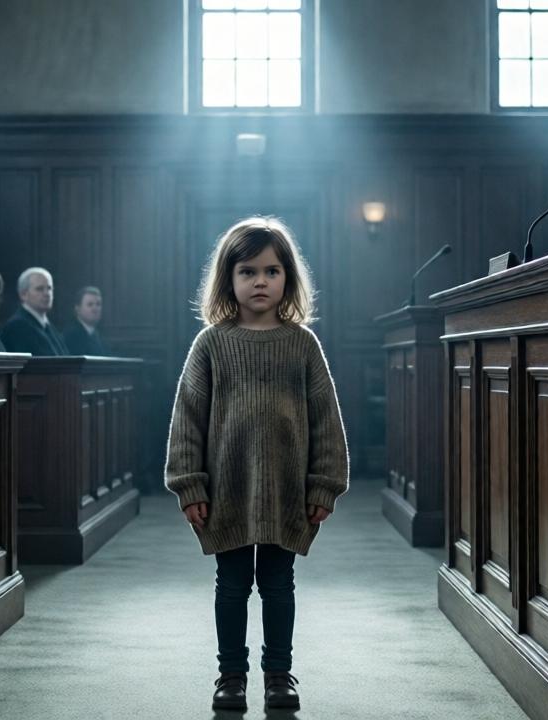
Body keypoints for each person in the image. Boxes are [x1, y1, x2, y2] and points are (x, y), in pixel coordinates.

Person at [165, 217, 349, 713]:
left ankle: (278, 673)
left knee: (277, 584)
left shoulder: (303, 344)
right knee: (231, 584)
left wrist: (324, 486)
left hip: (288, 489)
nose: (260, 281)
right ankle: (230, 674)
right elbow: (187, 419)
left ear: (288, 277)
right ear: (229, 279)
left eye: (271, 271)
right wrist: (189, 485)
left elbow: (326, 421)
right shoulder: (211, 344)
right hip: (226, 489)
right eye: (247, 272)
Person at [1, 267, 69, 355]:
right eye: (40, 289)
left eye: (49, 288)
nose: (47, 293)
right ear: (23, 294)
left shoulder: (48, 326)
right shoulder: (17, 326)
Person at [63, 285, 110, 355]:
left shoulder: (100, 336)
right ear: (78, 309)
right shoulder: (69, 337)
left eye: (98, 304)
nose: (95, 309)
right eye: (90, 305)